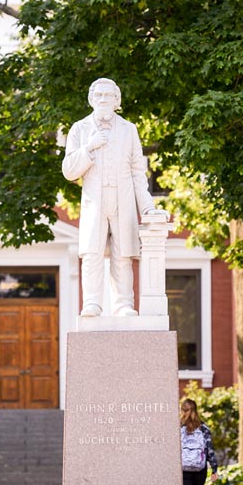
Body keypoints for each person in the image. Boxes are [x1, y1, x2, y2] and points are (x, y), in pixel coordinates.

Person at [62, 77, 167, 317]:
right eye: (98, 95)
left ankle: (123, 304)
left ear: (116, 100)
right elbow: (69, 171)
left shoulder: (128, 129)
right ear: (91, 99)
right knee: (92, 253)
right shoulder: (79, 129)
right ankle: (92, 303)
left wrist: (148, 207)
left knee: (123, 253)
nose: (103, 99)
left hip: (124, 198)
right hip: (94, 200)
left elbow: (138, 172)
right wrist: (89, 147)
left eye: (108, 95)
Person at [180, 398, 218, 485]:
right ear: (196, 411)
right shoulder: (203, 428)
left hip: (184, 468)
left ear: (182, 410)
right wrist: (214, 469)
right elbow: (209, 449)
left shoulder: (178, 428)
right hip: (200, 468)